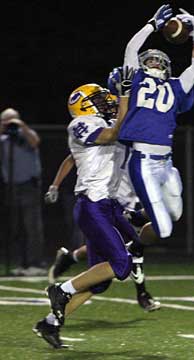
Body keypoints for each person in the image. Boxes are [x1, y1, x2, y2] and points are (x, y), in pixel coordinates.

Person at [33, 79, 146, 348]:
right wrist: (124, 98)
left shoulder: (108, 123)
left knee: (99, 283)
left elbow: (127, 127)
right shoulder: (81, 124)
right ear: (84, 105)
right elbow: (110, 135)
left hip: (110, 206)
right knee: (122, 265)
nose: (106, 100)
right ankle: (60, 290)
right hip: (93, 206)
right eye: (99, 98)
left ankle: (49, 324)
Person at [108, 4, 194, 241]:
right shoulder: (135, 79)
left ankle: (135, 216)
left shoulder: (175, 86)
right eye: (149, 60)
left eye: (158, 61)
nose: (154, 63)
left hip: (166, 162)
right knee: (164, 230)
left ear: (167, 67)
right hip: (142, 161)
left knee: (176, 213)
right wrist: (152, 25)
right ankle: (133, 240)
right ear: (142, 65)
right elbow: (131, 48)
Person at [45, 151, 161, 312]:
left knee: (114, 258)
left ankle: (70, 260)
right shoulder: (109, 139)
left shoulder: (138, 148)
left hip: (123, 207)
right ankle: (142, 293)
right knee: (118, 260)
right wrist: (55, 185)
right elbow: (73, 157)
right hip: (104, 207)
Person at [0, 107, 46, 275]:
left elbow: (35, 142)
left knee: (31, 226)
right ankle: (21, 263)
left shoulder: (26, 136)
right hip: (11, 186)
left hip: (29, 186)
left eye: (12, 120)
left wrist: (21, 126)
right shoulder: (4, 139)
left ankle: (36, 264)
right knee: (16, 227)